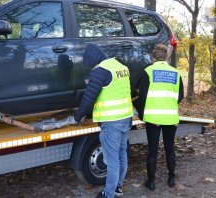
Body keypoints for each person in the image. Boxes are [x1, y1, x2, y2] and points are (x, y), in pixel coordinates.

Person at [74, 44, 134, 198]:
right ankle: (118, 188)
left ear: (93, 60)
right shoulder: (121, 67)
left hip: (111, 121)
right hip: (126, 118)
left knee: (112, 160)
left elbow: (89, 96)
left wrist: (79, 115)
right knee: (122, 154)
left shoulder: (100, 70)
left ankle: (108, 194)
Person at [134, 44, 184, 191]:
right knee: (170, 149)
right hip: (170, 117)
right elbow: (180, 95)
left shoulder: (148, 71)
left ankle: (151, 182)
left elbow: (141, 96)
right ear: (167, 57)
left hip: (153, 118)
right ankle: (172, 178)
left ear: (153, 58)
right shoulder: (176, 73)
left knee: (153, 150)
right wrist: (169, 104)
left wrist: (142, 113)